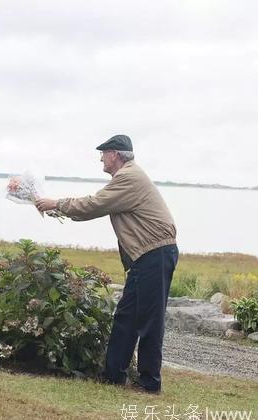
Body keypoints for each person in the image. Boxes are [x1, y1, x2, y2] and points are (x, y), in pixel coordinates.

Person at [35, 134, 178, 393]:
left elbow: (94, 204)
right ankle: (113, 376)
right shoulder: (126, 178)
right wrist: (58, 209)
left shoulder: (128, 178)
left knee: (149, 321)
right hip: (145, 257)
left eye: (103, 153)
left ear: (115, 154)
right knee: (125, 318)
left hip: (155, 254)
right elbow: (93, 208)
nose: (100, 158)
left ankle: (149, 384)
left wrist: (56, 203)